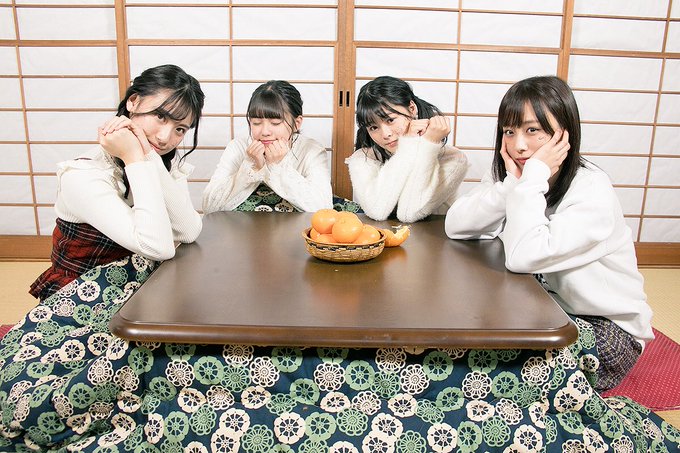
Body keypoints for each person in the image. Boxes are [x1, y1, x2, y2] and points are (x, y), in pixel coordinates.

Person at [445, 75, 653, 391]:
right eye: (509, 131)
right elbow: (456, 225)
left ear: (564, 134)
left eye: (533, 131)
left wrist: (532, 178)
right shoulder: (518, 174)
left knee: (489, 374)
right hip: (543, 311)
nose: (518, 145)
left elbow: (524, 257)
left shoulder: (591, 189)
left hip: (604, 331)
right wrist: (512, 186)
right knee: (464, 343)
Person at [29, 64, 204, 301]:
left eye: (180, 129)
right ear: (133, 102)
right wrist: (134, 158)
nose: (165, 138)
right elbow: (159, 247)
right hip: (83, 295)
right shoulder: (83, 174)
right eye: (160, 116)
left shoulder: (158, 162)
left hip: (138, 285)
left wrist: (147, 155)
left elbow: (189, 230)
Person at [346, 76, 468, 223]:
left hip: (435, 236)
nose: (385, 134)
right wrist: (408, 145)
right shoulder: (364, 158)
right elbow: (376, 210)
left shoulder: (453, 159)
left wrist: (428, 144)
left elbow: (409, 213)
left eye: (390, 120)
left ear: (412, 108)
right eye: (373, 127)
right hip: (380, 237)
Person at [202, 80, 332, 213]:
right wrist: (252, 165)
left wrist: (278, 166)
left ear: (296, 123)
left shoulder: (311, 150)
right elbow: (209, 206)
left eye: (275, 123)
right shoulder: (238, 147)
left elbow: (324, 208)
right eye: (256, 123)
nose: (264, 132)